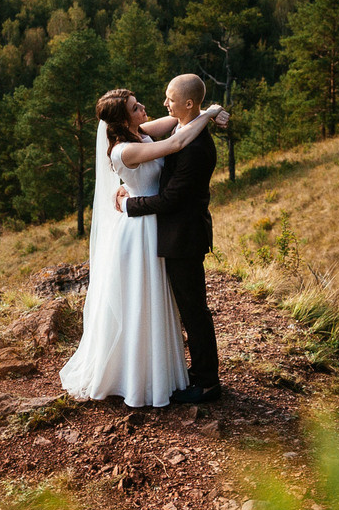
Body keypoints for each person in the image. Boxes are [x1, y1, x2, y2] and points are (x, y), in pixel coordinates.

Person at [59, 87, 219, 408]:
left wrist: (203, 112)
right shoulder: (124, 150)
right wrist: (212, 112)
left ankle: (171, 372)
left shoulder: (141, 132)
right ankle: (137, 376)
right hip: (139, 229)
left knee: (161, 301)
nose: (143, 107)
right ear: (122, 120)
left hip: (158, 225)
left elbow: (178, 120)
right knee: (141, 301)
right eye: (135, 107)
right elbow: (176, 143)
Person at [114, 73, 228, 404]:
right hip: (174, 234)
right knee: (187, 308)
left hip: (184, 237)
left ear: (188, 104)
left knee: (194, 310)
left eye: (171, 99)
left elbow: (170, 200)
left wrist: (129, 205)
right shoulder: (182, 127)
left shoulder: (195, 148)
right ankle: (193, 371)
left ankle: (207, 382)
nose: (164, 103)